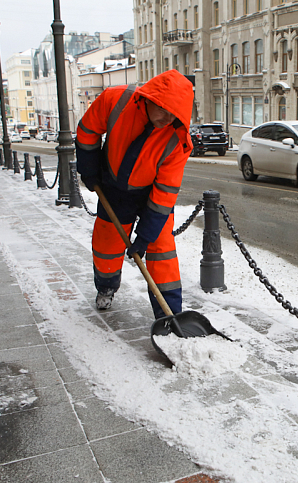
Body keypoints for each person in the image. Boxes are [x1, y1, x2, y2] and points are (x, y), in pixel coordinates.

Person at [75, 70, 194, 316]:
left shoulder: (177, 140)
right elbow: (87, 130)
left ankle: (170, 315)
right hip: (115, 190)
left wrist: (145, 236)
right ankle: (106, 287)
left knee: (162, 251)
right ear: (148, 99)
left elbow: (165, 193)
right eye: (162, 109)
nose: (167, 118)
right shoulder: (115, 100)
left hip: (152, 194)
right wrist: (89, 169)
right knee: (107, 246)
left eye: (174, 114)